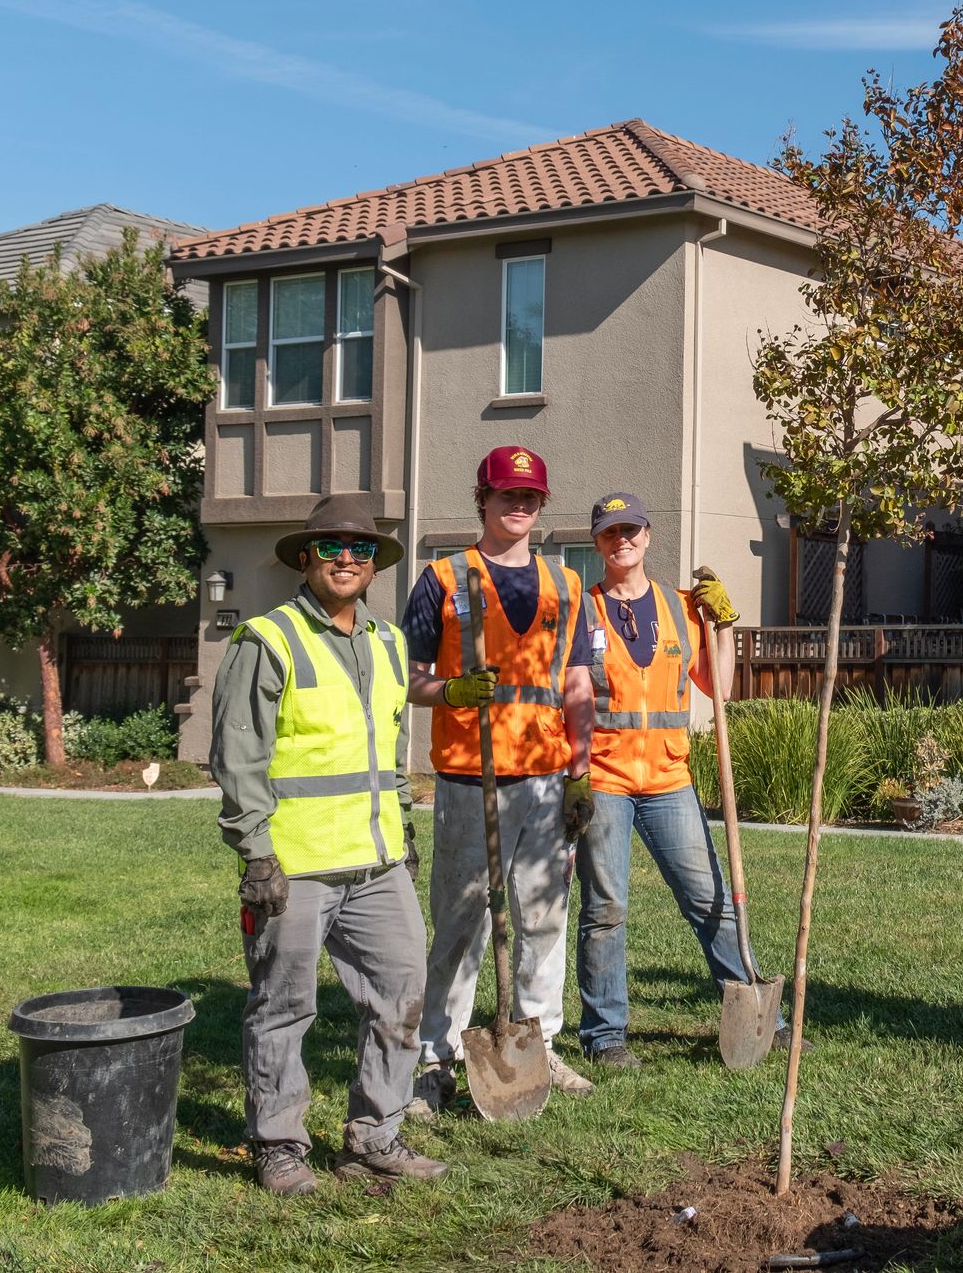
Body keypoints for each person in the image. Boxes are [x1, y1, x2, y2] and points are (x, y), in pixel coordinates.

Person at [212, 494, 446, 1195]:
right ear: (307, 557)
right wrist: (256, 851)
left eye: (362, 549)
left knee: (403, 992)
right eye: (333, 547)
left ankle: (375, 1135)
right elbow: (237, 755)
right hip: (295, 865)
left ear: (375, 564)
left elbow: (391, 749)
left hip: (377, 864)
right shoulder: (268, 638)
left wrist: (402, 833)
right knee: (284, 1007)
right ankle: (279, 1143)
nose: (348, 558)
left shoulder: (389, 643)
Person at [405, 446, 597, 1112]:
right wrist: (452, 688)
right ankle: (437, 1055)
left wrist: (581, 769)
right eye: (506, 495)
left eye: (530, 498)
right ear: (482, 498)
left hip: (544, 779)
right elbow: (412, 677)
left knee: (543, 919)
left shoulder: (567, 586)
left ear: (542, 506)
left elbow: (576, 682)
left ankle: (539, 1041)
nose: (519, 506)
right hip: (469, 780)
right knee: (460, 922)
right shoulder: (443, 578)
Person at [572, 493, 771, 1065]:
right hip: (605, 778)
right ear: (598, 543)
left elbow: (722, 688)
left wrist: (725, 625)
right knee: (605, 909)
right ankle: (605, 1035)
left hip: (668, 778)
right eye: (611, 533)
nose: (622, 541)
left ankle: (754, 1007)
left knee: (711, 898)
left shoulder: (682, 607)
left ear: (648, 536)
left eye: (631, 530)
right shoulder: (584, 611)